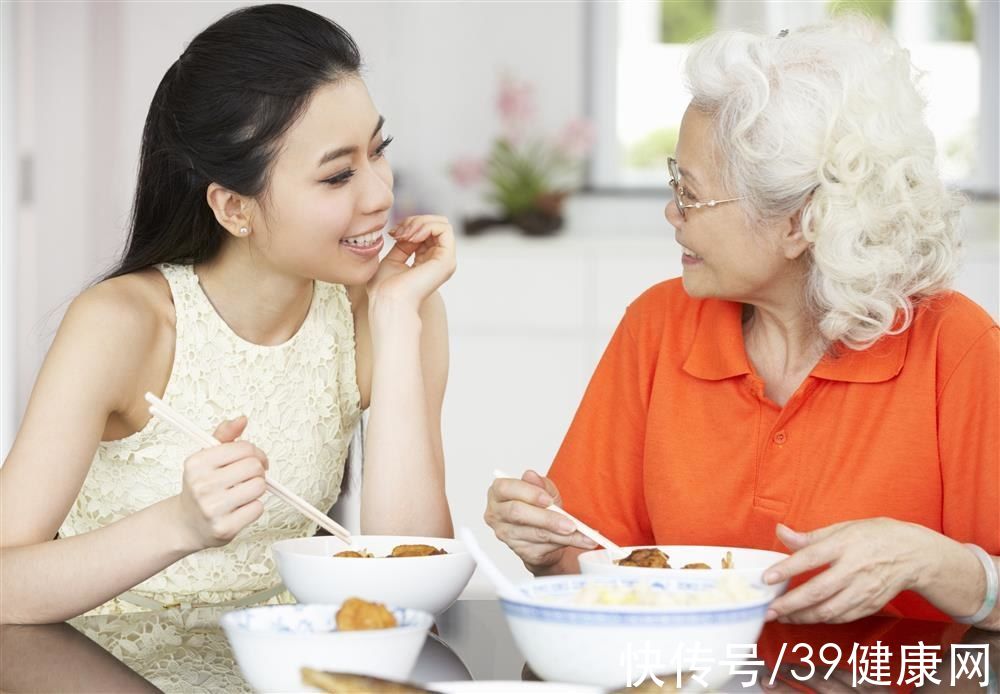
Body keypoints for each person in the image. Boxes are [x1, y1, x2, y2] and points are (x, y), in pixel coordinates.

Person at [485, 17, 999, 630]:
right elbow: (594, 570)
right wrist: (546, 553)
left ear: (800, 222)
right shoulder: (658, 326)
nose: (672, 212)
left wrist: (933, 561)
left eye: (692, 192)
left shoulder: (957, 348)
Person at [1, 3, 455, 624]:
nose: (380, 194)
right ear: (234, 208)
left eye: (379, 151)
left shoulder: (388, 307)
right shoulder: (121, 325)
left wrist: (400, 317)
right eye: (337, 176)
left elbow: (412, 587)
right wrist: (178, 524)